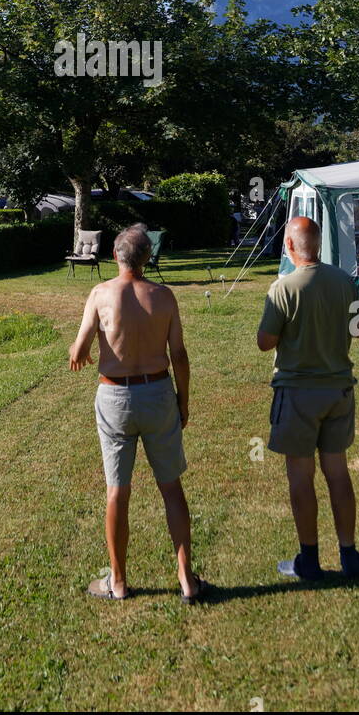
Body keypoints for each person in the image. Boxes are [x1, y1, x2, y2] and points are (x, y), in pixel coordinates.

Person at [69, 224, 209, 603]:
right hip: (159, 392)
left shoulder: (100, 294)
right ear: (148, 258)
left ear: (116, 256)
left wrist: (81, 349)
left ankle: (117, 582)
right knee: (171, 486)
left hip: (115, 396)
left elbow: (79, 348)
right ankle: (186, 580)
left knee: (118, 490)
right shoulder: (164, 296)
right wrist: (184, 401)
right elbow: (179, 354)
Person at [256, 215, 359, 580]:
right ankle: (349, 554)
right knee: (337, 472)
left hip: (297, 394)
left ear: (289, 246)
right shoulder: (343, 281)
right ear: (317, 245)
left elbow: (264, 342)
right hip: (338, 390)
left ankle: (310, 559)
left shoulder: (283, 288)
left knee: (301, 478)